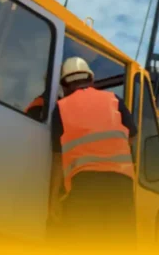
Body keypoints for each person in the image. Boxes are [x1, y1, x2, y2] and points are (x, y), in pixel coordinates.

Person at [48, 56, 138, 248]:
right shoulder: (114, 100)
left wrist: (54, 199)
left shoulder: (61, 108)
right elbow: (132, 136)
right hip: (120, 185)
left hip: (85, 186)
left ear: (64, 86)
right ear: (91, 80)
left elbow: (57, 159)